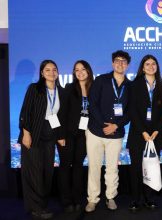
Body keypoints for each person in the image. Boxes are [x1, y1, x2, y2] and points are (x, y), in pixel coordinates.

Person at [18, 60, 66, 219]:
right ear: (42, 73)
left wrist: (59, 136)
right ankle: (36, 208)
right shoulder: (35, 89)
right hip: (33, 134)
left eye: (54, 69)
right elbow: (25, 112)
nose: (51, 72)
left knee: (47, 171)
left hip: (50, 134)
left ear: (57, 73)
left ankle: (42, 205)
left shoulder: (61, 90)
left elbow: (57, 117)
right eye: (47, 70)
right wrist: (26, 133)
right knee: (34, 172)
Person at [85, 50, 131, 212]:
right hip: (95, 131)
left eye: (123, 61)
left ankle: (110, 197)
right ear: (112, 63)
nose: (120, 64)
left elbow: (130, 112)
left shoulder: (130, 86)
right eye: (117, 61)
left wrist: (115, 126)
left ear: (127, 65)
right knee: (94, 167)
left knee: (112, 168)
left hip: (116, 134)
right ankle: (92, 199)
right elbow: (92, 104)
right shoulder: (101, 80)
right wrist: (104, 125)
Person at [127, 54, 162, 212]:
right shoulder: (134, 85)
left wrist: (157, 130)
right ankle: (135, 199)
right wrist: (143, 131)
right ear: (142, 68)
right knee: (136, 168)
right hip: (138, 133)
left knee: (151, 168)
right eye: (147, 64)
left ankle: (149, 198)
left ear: (157, 67)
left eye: (153, 64)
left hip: (156, 134)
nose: (151, 67)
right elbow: (132, 111)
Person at [58, 60, 94, 212]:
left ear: (88, 71)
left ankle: (77, 199)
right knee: (65, 166)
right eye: (76, 70)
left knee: (79, 166)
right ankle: (66, 202)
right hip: (67, 134)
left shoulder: (95, 88)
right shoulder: (69, 88)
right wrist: (60, 135)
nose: (80, 72)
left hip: (85, 134)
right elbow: (61, 113)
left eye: (83, 69)